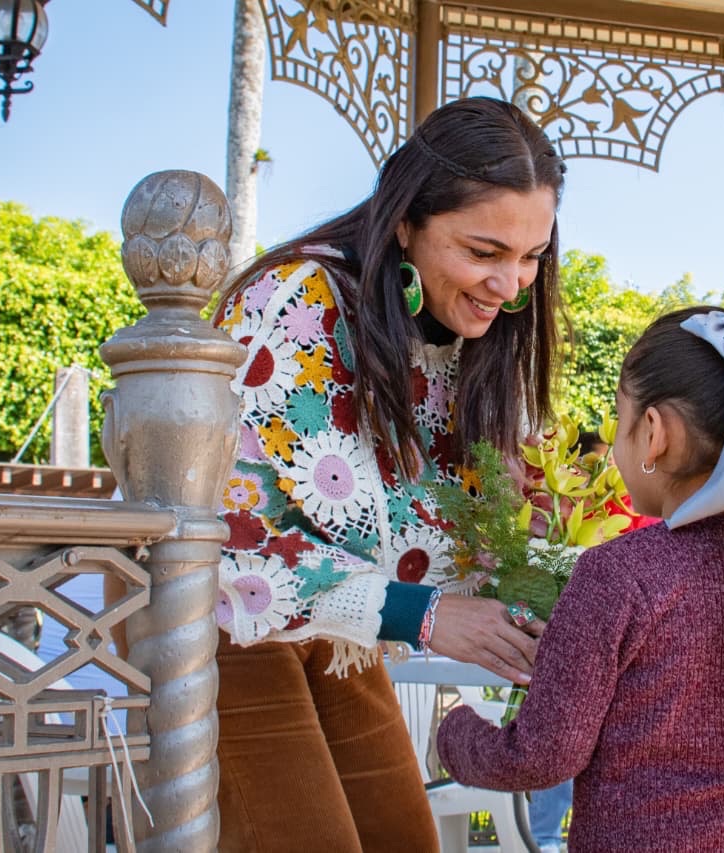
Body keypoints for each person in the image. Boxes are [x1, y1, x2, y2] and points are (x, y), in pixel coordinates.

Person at [211, 96, 566, 852]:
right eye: (484, 251)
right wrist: (431, 615)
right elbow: (231, 542)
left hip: (339, 628)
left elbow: (475, 535)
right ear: (406, 221)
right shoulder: (296, 302)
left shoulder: (478, 346)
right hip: (219, 619)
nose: (511, 286)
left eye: (531, 255)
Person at [436, 298, 724, 851]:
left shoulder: (617, 573)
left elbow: (542, 757)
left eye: (621, 419)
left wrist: (454, 735)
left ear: (655, 433)